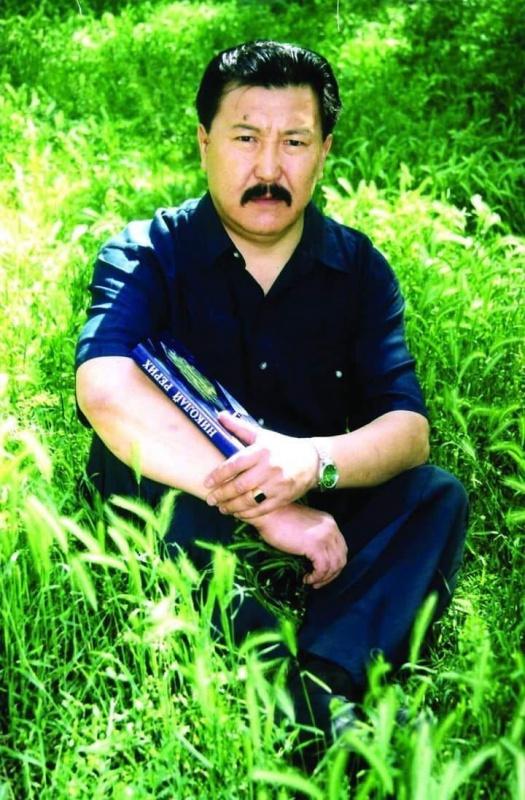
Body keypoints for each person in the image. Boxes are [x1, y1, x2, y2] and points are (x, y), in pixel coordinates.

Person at [75, 40, 468, 757]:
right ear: (204, 142)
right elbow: (103, 388)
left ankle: (321, 680)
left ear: (324, 151)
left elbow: (407, 427)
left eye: (293, 142)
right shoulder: (145, 253)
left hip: (314, 486)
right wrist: (265, 504)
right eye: (245, 138)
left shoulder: (358, 269)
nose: (267, 169)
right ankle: (300, 698)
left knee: (433, 496)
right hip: (190, 487)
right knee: (123, 470)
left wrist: (310, 464)